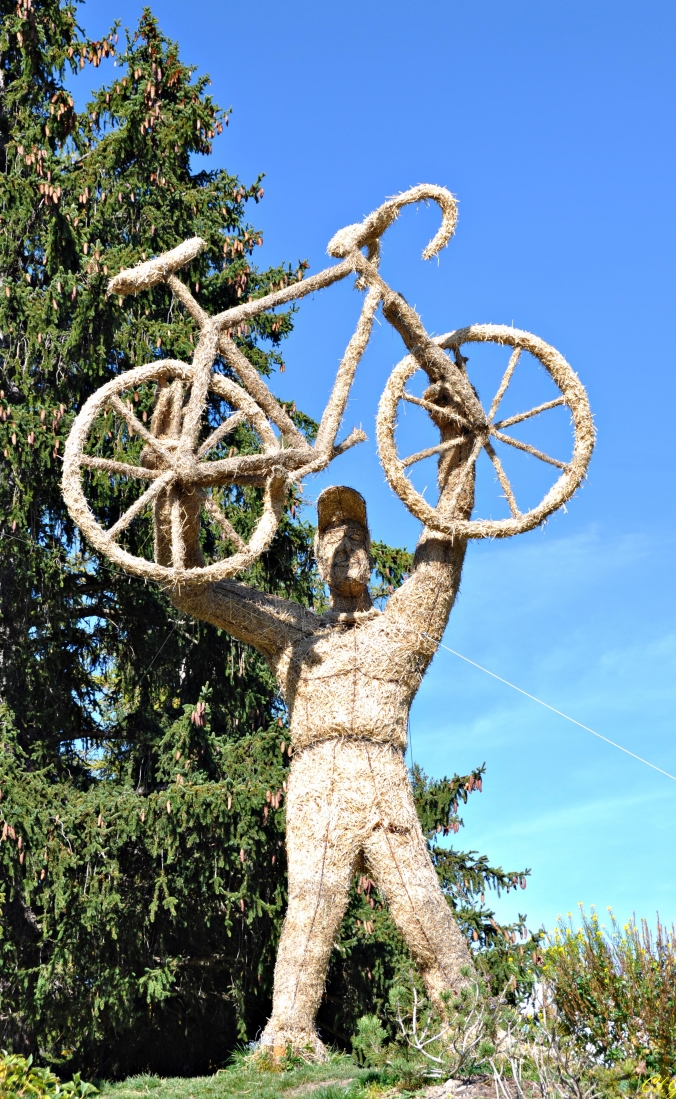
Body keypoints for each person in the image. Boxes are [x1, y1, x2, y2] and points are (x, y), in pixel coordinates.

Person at [151, 375, 477, 1057]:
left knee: (423, 913)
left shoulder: (403, 626)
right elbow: (191, 588)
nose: (345, 549)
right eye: (331, 539)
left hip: (382, 770)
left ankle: (474, 1030)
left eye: (354, 536)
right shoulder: (293, 631)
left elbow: (445, 545)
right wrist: (174, 494)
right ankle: (289, 1036)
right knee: (312, 904)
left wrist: (458, 443)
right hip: (318, 773)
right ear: (316, 558)